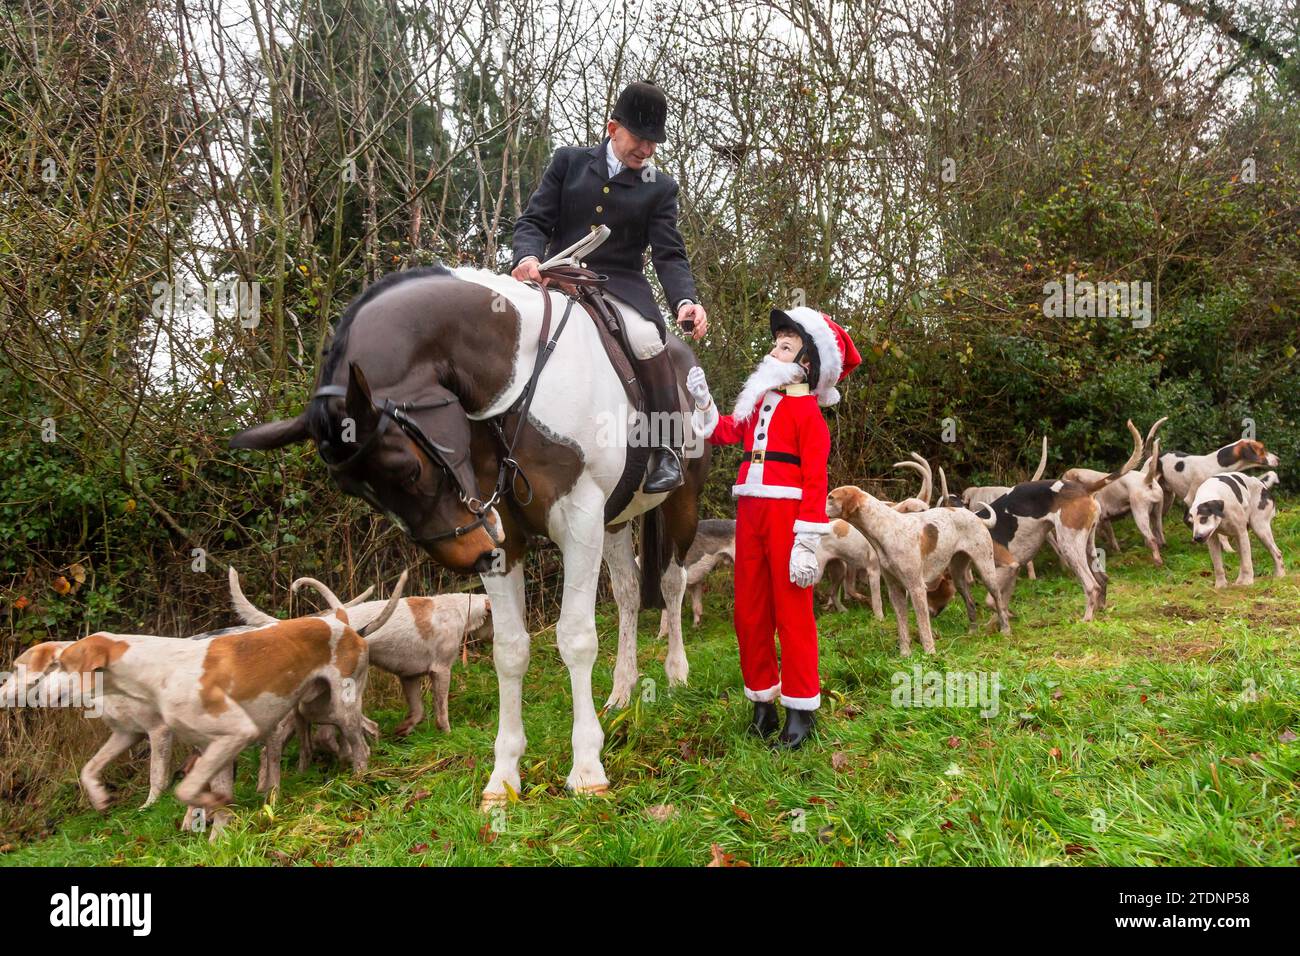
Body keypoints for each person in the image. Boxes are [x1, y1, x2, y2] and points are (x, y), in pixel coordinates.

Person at [511, 81, 706, 494]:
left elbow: (669, 254)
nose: (647, 150)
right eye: (640, 138)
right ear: (612, 128)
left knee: (647, 339)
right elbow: (534, 221)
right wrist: (527, 257)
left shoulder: (660, 187)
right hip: (556, 278)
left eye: (654, 142)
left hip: (619, 286)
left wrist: (685, 301)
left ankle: (667, 447)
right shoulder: (568, 162)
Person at [686, 307, 861, 748]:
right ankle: (762, 704)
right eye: (776, 343)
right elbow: (724, 431)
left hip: (788, 519)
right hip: (750, 514)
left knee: (792, 613)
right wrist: (704, 402)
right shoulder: (760, 401)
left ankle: (801, 711)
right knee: (749, 611)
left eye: (784, 346)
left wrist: (806, 541)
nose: (772, 351)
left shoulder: (809, 415)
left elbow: (815, 481)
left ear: (806, 363)